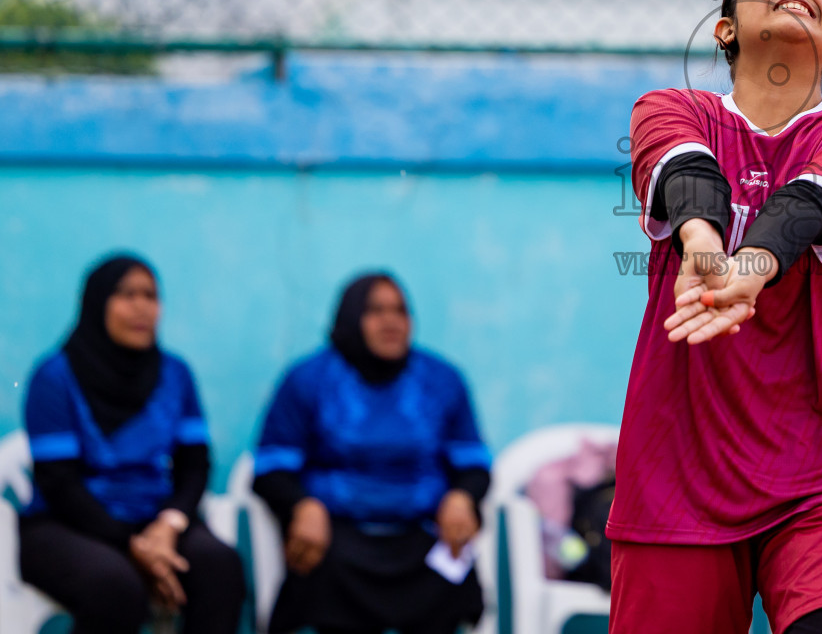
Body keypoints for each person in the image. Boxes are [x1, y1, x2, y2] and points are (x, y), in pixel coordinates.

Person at [608, 0, 822, 634]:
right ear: (724, 29)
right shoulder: (669, 110)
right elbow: (690, 175)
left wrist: (748, 271)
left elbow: (805, 203)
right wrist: (703, 244)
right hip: (675, 477)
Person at [252, 272, 492, 634]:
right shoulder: (308, 379)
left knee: (449, 574)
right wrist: (302, 505)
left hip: (420, 534)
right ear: (350, 318)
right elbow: (272, 465)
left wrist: (462, 498)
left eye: (400, 310)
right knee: (323, 575)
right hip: (337, 536)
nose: (391, 321)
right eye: (375, 311)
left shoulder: (441, 379)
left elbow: (473, 462)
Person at [18, 254, 245, 634]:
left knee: (219, 567)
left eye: (151, 295)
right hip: (68, 524)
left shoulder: (175, 373)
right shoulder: (55, 376)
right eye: (126, 294)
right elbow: (59, 483)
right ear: (96, 303)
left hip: (155, 519)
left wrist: (169, 525)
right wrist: (133, 544)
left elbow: (194, 465)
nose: (142, 307)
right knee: (114, 585)